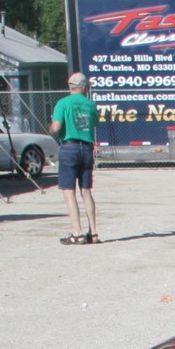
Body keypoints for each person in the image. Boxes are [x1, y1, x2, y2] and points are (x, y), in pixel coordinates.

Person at [50, 72, 100, 244]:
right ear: (84, 87)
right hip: (86, 148)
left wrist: (51, 129)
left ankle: (77, 233)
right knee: (86, 191)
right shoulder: (90, 105)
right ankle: (93, 232)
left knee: (68, 191)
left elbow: (56, 127)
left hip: (69, 147)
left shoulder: (62, 103)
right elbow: (92, 124)